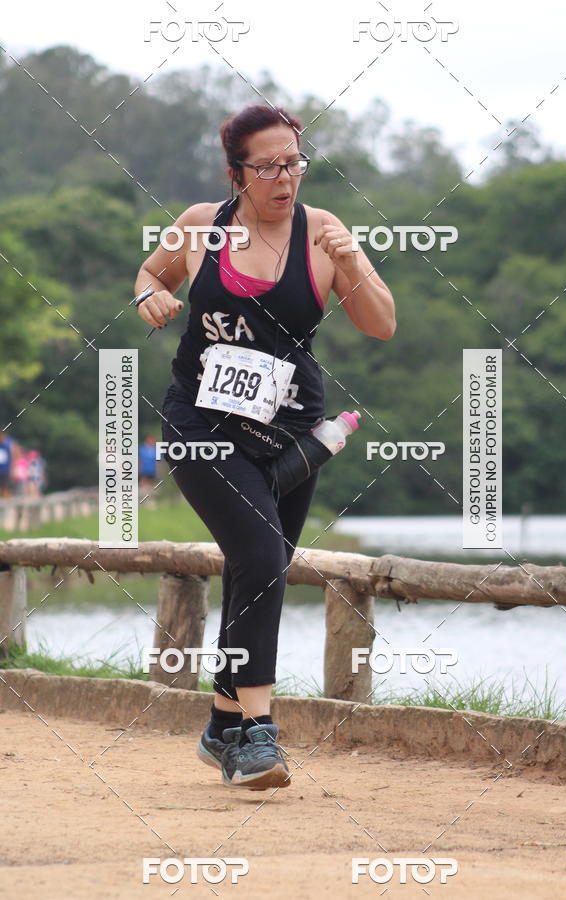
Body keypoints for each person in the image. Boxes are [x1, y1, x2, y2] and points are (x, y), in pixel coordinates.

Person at [134, 104, 395, 791]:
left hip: (291, 430)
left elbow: (382, 325)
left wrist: (352, 266)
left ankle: (222, 725)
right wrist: (147, 300)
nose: (286, 178)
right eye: (270, 166)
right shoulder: (199, 226)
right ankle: (256, 735)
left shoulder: (324, 233)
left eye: (295, 162)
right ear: (236, 173)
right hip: (199, 426)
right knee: (256, 555)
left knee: (266, 567)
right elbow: (150, 275)